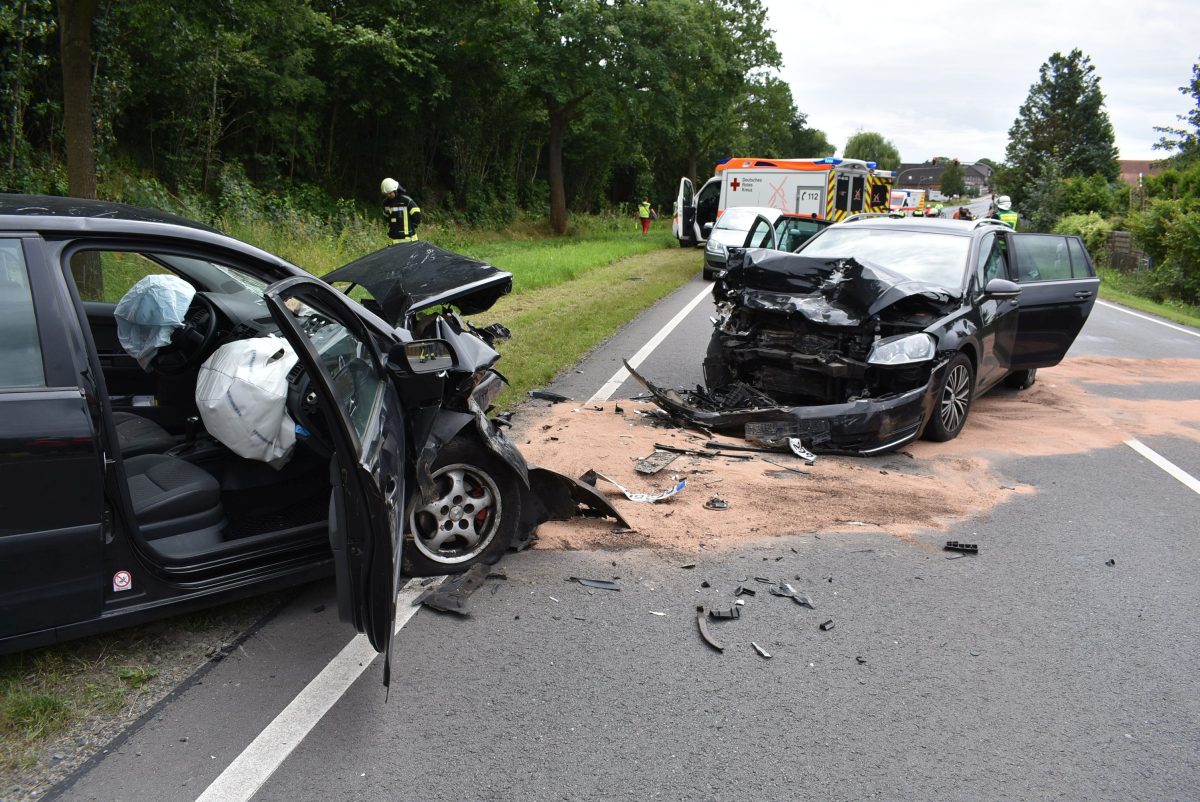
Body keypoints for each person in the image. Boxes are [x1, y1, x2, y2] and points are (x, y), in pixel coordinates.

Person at [381, 177, 422, 243]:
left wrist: (410, 227)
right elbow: (387, 218)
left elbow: (417, 217)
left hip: (409, 241)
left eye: (390, 193)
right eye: (386, 194)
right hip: (393, 241)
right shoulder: (386, 203)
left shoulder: (407, 201)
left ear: (395, 190)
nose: (388, 195)